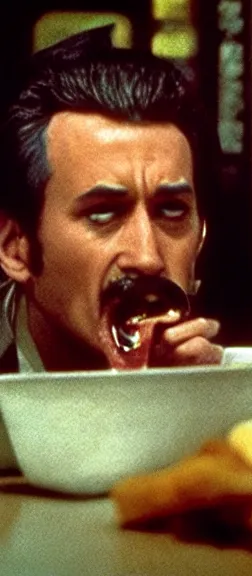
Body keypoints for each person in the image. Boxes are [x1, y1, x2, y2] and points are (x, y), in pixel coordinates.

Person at [0, 26, 222, 372]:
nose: (147, 258)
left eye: (172, 210)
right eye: (103, 215)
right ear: (16, 247)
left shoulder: (225, 381)